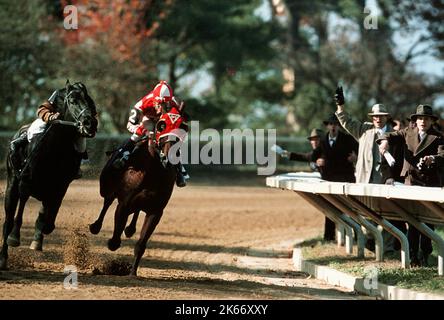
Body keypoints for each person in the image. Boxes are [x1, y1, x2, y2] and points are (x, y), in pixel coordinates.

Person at [334, 86, 405, 253]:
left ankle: (387, 250)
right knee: (367, 219)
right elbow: (346, 121)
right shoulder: (364, 130)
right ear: (372, 118)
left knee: (387, 218)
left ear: (386, 117)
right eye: (375, 117)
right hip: (365, 182)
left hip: (386, 183)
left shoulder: (396, 135)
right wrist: (340, 105)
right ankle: (372, 246)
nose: (378, 119)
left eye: (381, 116)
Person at [378, 104, 444, 266]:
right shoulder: (408, 131)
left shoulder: (438, 137)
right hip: (410, 182)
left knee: (427, 222)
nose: (423, 121)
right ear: (415, 120)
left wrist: (433, 159)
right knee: (413, 221)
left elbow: (443, 155)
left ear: (431, 121)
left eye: (427, 119)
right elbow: (389, 134)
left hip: (429, 184)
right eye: (420, 118)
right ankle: (413, 256)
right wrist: (385, 141)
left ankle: (425, 254)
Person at [113, 80, 189, 187]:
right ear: (154, 100)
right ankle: (123, 156)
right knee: (140, 134)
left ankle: (179, 170)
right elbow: (129, 125)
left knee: (173, 138)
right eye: (160, 104)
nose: (163, 108)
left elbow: (183, 122)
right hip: (148, 120)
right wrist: (141, 130)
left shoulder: (174, 102)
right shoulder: (142, 104)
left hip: (164, 122)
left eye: (166, 104)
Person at [9, 83, 94, 178]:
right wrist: (50, 116)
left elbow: (92, 114)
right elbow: (42, 109)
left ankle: (76, 168)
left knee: (81, 145)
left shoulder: (85, 98)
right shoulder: (59, 94)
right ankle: (23, 140)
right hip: (52, 122)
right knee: (37, 127)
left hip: (72, 127)